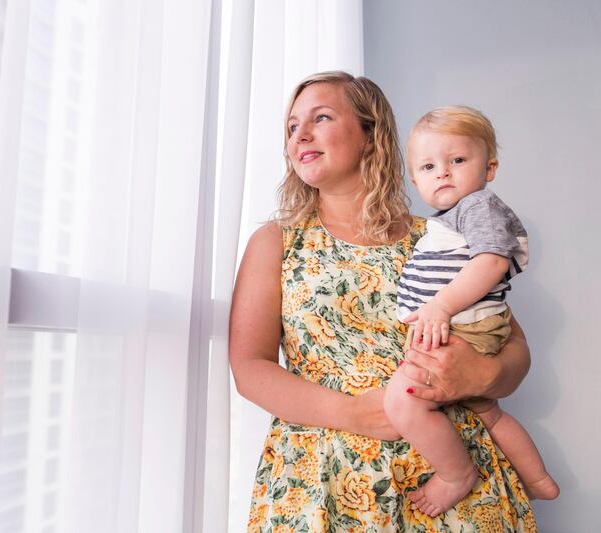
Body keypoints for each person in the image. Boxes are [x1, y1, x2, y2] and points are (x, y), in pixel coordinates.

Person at [229, 71, 537, 531]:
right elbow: (250, 369)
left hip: (455, 482)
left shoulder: (440, 236)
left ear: (370, 135)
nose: (301, 135)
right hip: (324, 480)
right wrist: (353, 413)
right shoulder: (277, 241)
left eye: (322, 118)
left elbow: (513, 349)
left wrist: (483, 374)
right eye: (293, 126)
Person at [385, 106, 559, 518]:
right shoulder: (450, 217)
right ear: (414, 180)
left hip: (466, 327)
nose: (442, 173)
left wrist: (440, 305)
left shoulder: (477, 205)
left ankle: (455, 475)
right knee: (488, 412)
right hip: (468, 326)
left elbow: (492, 261)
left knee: (402, 402)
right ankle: (537, 479)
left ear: (490, 167)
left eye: (457, 160)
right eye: (428, 166)